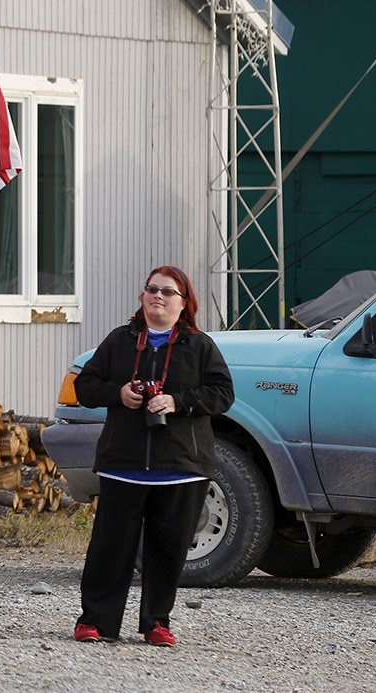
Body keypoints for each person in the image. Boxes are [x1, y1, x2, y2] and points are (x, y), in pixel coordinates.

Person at [72, 266, 236, 647]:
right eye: (151, 290)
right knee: (110, 549)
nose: (157, 297)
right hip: (124, 465)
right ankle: (95, 621)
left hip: (180, 467)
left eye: (167, 292)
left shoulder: (199, 346)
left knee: (167, 550)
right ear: (142, 298)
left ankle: (156, 623)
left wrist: (177, 401)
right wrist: (120, 394)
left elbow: (223, 394)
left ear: (183, 303)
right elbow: (85, 386)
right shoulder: (120, 340)